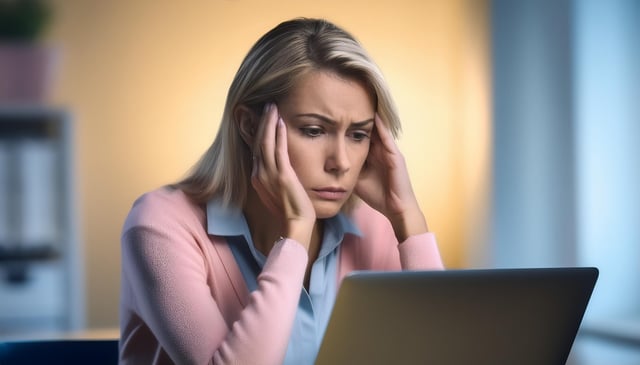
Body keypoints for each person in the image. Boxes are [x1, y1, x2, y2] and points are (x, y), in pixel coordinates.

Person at [119, 17, 444, 365]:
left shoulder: (374, 227)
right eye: (315, 130)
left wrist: (409, 219)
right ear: (249, 125)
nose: (341, 162)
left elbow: (447, 354)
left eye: (358, 135)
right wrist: (295, 237)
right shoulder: (159, 227)